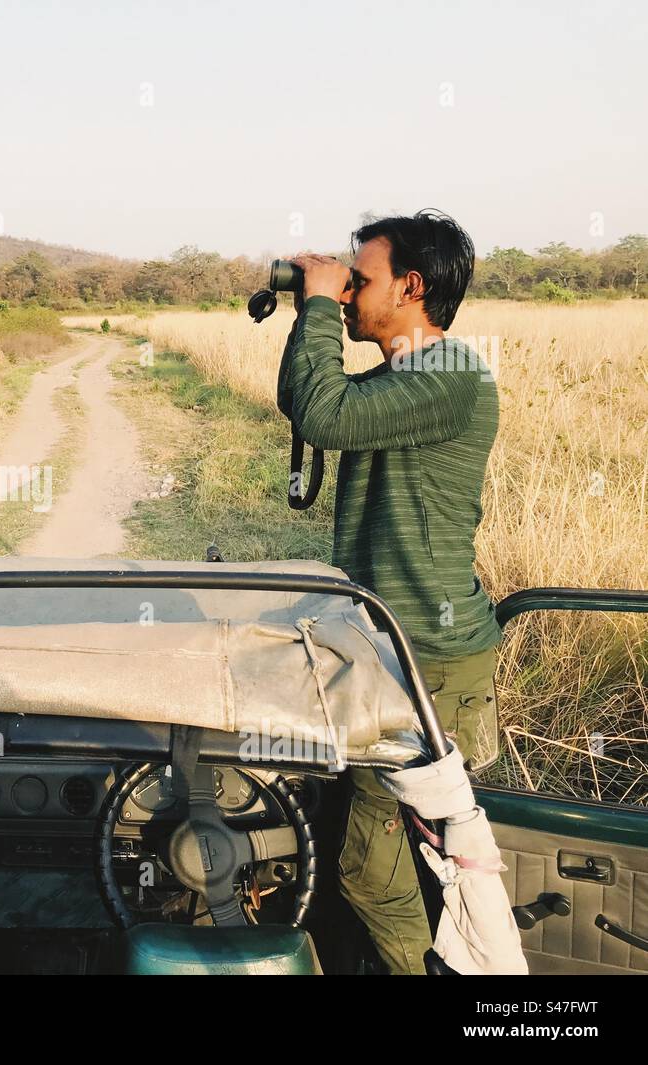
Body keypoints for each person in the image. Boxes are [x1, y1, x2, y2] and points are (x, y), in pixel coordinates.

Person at [278, 210, 500, 974]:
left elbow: (323, 411)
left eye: (359, 280)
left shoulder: (450, 377)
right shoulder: (406, 376)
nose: (346, 294)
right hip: (391, 647)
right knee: (391, 856)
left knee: (369, 872)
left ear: (411, 285)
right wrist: (310, 305)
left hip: (426, 659)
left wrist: (313, 304)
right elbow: (304, 400)